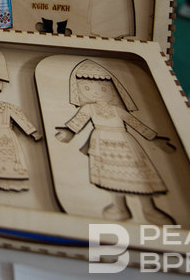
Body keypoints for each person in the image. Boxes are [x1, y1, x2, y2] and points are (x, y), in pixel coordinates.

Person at [55, 59, 176, 225]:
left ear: (113, 90)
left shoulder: (117, 110)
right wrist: (69, 131)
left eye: (104, 88)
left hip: (125, 142)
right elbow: (79, 121)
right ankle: (119, 207)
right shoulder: (89, 108)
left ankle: (149, 209)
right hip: (102, 142)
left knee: (137, 173)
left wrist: (154, 138)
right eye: (87, 88)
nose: (96, 92)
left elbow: (135, 123)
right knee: (111, 175)